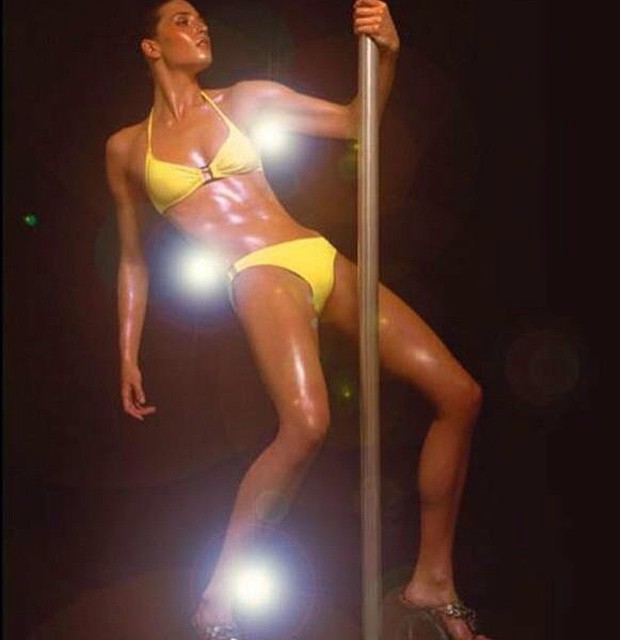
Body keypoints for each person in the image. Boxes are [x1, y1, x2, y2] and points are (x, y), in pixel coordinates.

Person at [105, 1, 491, 638]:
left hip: (314, 253)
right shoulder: (127, 148)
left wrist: (388, 53)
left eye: (201, 19)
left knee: (460, 394)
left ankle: (432, 580)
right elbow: (131, 259)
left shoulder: (246, 100)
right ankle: (218, 597)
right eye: (181, 20)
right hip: (257, 271)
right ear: (150, 46)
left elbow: (355, 122)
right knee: (307, 423)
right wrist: (127, 352)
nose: (199, 27)